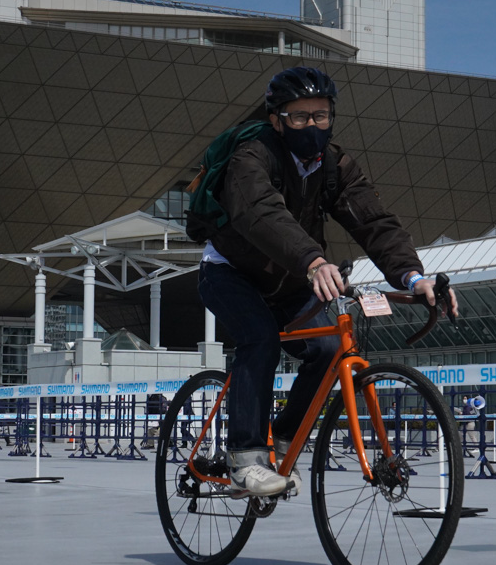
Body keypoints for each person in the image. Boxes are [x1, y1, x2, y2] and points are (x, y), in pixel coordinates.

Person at [196, 66, 457, 498]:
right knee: (259, 338)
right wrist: (314, 260)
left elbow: (374, 223)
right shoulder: (252, 157)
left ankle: (283, 441)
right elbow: (260, 213)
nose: (312, 125)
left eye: (321, 115)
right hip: (230, 272)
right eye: (299, 117)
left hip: (291, 277)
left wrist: (414, 277)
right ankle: (245, 458)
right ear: (276, 119)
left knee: (329, 348)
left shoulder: (333, 164)